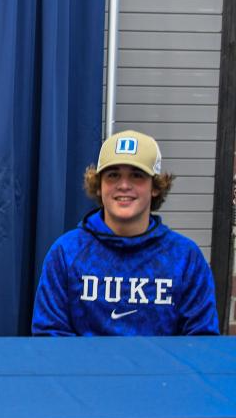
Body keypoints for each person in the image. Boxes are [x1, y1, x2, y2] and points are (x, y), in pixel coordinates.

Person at [32, 130, 219, 336]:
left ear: (155, 186)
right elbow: (49, 337)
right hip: (84, 369)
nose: (123, 185)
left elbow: (201, 340)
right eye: (113, 175)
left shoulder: (185, 258)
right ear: (99, 185)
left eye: (136, 175)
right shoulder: (66, 253)